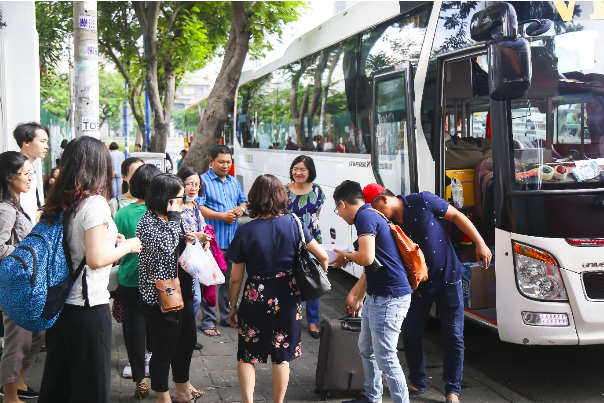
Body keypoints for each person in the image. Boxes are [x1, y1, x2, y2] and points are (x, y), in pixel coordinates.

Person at [361, 184, 492, 403]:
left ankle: (452, 390)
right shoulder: (386, 223)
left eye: (374, 209)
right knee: (411, 332)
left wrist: (480, 242)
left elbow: (457, 217)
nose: (374, 215)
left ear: (383, 200)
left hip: (449, 279)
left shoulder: (422, 200)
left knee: (453, 336)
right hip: (417, 287)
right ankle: (417, 380)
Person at [38, 136, 143, 403]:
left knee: (58, 384)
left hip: (60, 306)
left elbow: (76, 243)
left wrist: (112, 239)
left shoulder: (63, 198)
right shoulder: (94, 203)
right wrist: (129, 245)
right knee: (92, 388)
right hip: (88, 307)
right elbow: (96, 260)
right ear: (98, 165)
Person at [227, 174, 328, 403]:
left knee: (247, 355)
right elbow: (322, 256)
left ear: (254, 198)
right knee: (281, 356)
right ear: (281, 196)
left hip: (256, 296)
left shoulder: (245, 231)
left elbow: (235, 278)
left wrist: (233, 307)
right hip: (287, 296)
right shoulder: (295, 223)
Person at [329, 180, 412, 403]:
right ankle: (372, 397)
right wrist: (360, 296)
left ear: (343, 204)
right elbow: (374, 264)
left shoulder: (365, 217)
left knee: (386, 357)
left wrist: (344, 256)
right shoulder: (370, 214)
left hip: (389, 297)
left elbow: (366, 257)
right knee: (366, 348)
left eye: (337, 209)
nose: (339, 214)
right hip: (377, 296)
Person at [136, 174, 203, 403]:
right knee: (164, 350)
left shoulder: (171, 218)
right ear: (166, 198)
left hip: (182, 293)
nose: (182, 202)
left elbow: (176, 244)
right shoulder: (148, 222)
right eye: (179, 198)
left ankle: (182, 390)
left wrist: (190, 239)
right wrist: (175, 217)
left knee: (186, 343)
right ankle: (163, 397)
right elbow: (165, 247)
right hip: (162, 297)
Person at [114, 164, 162, 399]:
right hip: (158, 282)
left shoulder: (123, 213)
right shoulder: (163, 213)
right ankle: (157, 372)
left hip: (130, 280)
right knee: (157, 327)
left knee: (134, 330)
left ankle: (139, 380)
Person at [0, 152, 44, 402]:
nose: (30, 178)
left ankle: (18, 382)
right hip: (14, 285)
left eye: (31, 173)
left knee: (35, 336)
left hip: (25, 286)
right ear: (9, 177)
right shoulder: (6, 209)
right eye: (25, 173)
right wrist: (24, 253)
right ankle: (9, 395)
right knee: (17, 340)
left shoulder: (16, 204)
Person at [198, 145, 248, 331]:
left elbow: (243, 201)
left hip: (232, 240)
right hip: (212, 242)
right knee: (209, 281)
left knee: (230, 281)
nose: (226, 165)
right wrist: (222, 216)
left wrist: (240, 209)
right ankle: (208, 320)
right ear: (211, 161)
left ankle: (227, 316)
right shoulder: (202, 181)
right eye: (221, 162)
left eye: (228, 162)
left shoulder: (233, 182)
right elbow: (199, 208)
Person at [285, 155, 325, 339]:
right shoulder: (284, 191)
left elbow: (316, 216)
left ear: (310, 172)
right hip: (289, 239)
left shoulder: (317, 191)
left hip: (313, 241)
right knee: (289, 280)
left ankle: (312, 321)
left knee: (312, 278)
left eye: (302, 169)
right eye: (295, 169)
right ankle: (290, 317)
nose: (298, 173)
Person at [176, 167, 213, 340]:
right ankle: (183, 335)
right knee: (192, 298)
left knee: (195, 298)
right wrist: (193, 237)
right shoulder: (176, 206)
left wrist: (204, 240)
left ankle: (186, 334)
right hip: (180, 260)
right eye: (189, 184)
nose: (192, 188)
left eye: (196, 184)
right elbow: (174, 233)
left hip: (195, 259)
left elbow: (202, 227)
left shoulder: (196, 204)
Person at [12, 122, 49, 222]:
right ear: (27, 142)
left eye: (47, 142)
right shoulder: (17, 168)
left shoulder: (30, 167)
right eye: (42, 141)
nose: (46, 146)